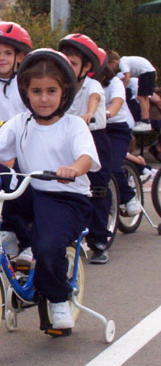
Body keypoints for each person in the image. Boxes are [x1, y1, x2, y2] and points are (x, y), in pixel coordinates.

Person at [0, 48, 100, 331]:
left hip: (66, 198)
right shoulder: (21, 122)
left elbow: (85, 158)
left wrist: (74, 170)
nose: (44, 98)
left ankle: (57, 299)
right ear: (26, 93)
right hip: (30, 190)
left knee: (48, 247)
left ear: (64, 92)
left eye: (51, 91)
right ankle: (6, 234)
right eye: (37, 91)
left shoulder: (73, 125)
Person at [59, 33, 112, 264]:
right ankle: (70, 236)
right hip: (67, 139)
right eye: (66, 61)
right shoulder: (61, 86)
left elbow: (93, 99)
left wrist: (89, 114)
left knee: (97, 190)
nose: (69, 67)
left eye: (74, 62)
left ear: (86, 66)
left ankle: (99, 241)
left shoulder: (93, 85)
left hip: (95, 137)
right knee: (65, 187)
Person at [97, 64, 141, 217]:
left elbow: (117, 101)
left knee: (113, 166)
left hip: (116, 129)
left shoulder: (115, 83)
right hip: (94, 129)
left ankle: (129, 197)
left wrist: (108, 113)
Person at [107, 51, 157, 132]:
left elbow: (127, 78)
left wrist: (121, 89)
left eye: (110, 66)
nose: (111, 68)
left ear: (113, 61)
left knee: (141, 97)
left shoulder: (122, 63)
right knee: (145, 97)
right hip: (150, 72)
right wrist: (119, 80)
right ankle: (146, 120)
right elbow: (126, 77)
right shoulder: (126, 60)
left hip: (145, 73)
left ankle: (145, 122)